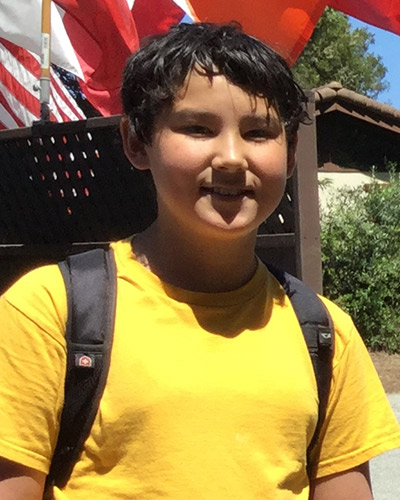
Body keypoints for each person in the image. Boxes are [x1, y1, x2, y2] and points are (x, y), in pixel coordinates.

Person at [0, 22, 399, 500]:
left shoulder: (326, 335)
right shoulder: (49, 312)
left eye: (258, 132)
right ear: (136, 142)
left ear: (291, 152)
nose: (231, 157)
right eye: (197, 128)